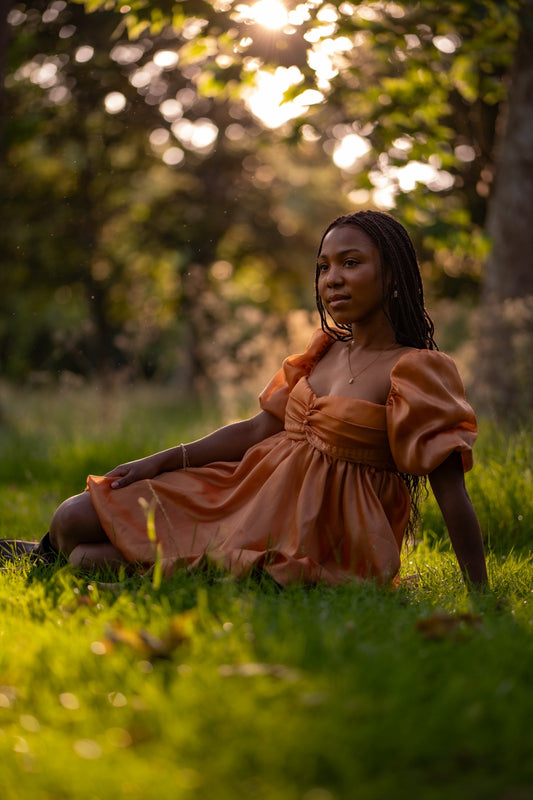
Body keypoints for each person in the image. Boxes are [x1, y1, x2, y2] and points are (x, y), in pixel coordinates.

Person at [2, 211, 488, 587]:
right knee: (73, 515)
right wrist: (161, 461)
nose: (332, 279)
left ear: (395, 275)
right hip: (245, 492)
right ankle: (43, 555)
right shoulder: (321, 353)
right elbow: (257, 431)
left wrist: (480, 595)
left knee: (90, 559)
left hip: (314, 531)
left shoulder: (418, 369)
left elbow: (451, 491)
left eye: (351, 263)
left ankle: (56, 562)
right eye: (323, 267)